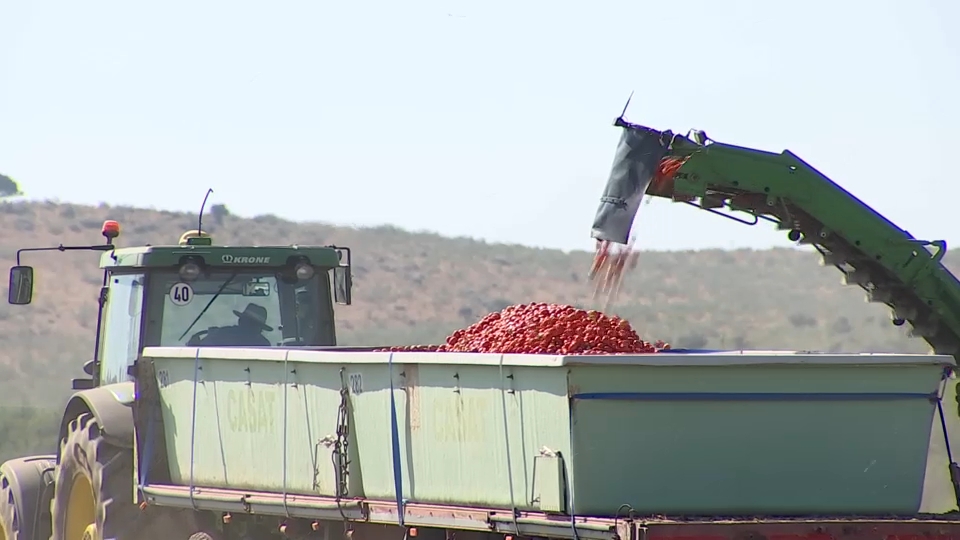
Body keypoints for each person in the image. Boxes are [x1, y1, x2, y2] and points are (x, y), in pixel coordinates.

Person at [190, 303, 273, 347]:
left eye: (251, 324)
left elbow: (201, 349)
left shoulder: (221, 334)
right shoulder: (264, 344)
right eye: (248, 323)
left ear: (240, 321)